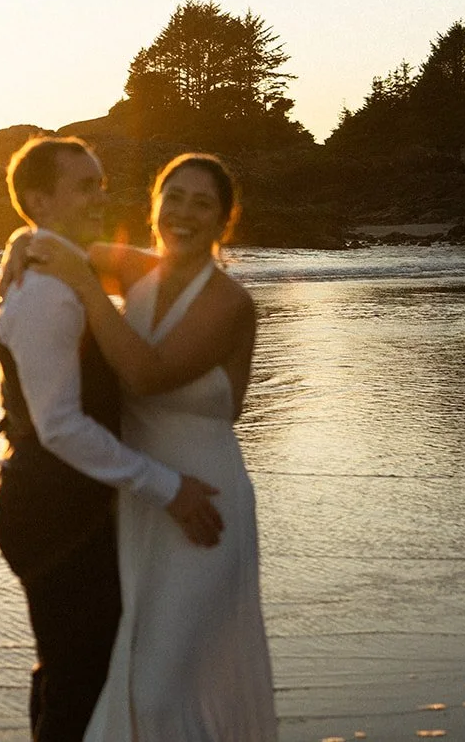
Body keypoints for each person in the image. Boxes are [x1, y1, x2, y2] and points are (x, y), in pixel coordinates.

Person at [24, 153, 278, 742]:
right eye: (174, 197)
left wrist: (85, 284)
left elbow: (144, 373)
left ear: (224, 221)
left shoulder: (230, 303)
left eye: (202, 202)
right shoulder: (138, 272)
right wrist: (21, 245)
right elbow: (53, 241)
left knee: (160, 689)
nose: (183, 213)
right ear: (155, 206)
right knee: (133, 671)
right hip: (141, 495)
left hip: (204, 503)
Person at [0, 137, 227, 742]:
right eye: (83, 186)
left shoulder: (59, 263)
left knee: (75, 668)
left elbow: (162, 271)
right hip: (49, 503)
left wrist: (30, 236)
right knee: (81, 678)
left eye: (100, 183)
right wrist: (168, 486)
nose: (100, 195)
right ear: (40, 199)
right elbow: (61, 427)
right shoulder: (44, 289)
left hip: (67, 498)